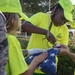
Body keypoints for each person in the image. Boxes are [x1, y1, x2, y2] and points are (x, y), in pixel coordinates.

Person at [21, 0, 74, 75]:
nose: (62, 22)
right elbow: (24, 26)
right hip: (31, 66)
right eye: (62, 18)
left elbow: (61, 50)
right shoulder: (41, 16)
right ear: (56, 10)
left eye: (65, 21)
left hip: (48, 68)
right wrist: (45, 32)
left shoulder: (65, 29)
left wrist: (60, 49)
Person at [0, 0, 48, 75]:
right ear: (13, 19)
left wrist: (29, 52)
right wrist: (36, 60)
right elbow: (25, 74)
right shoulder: (10, 40)